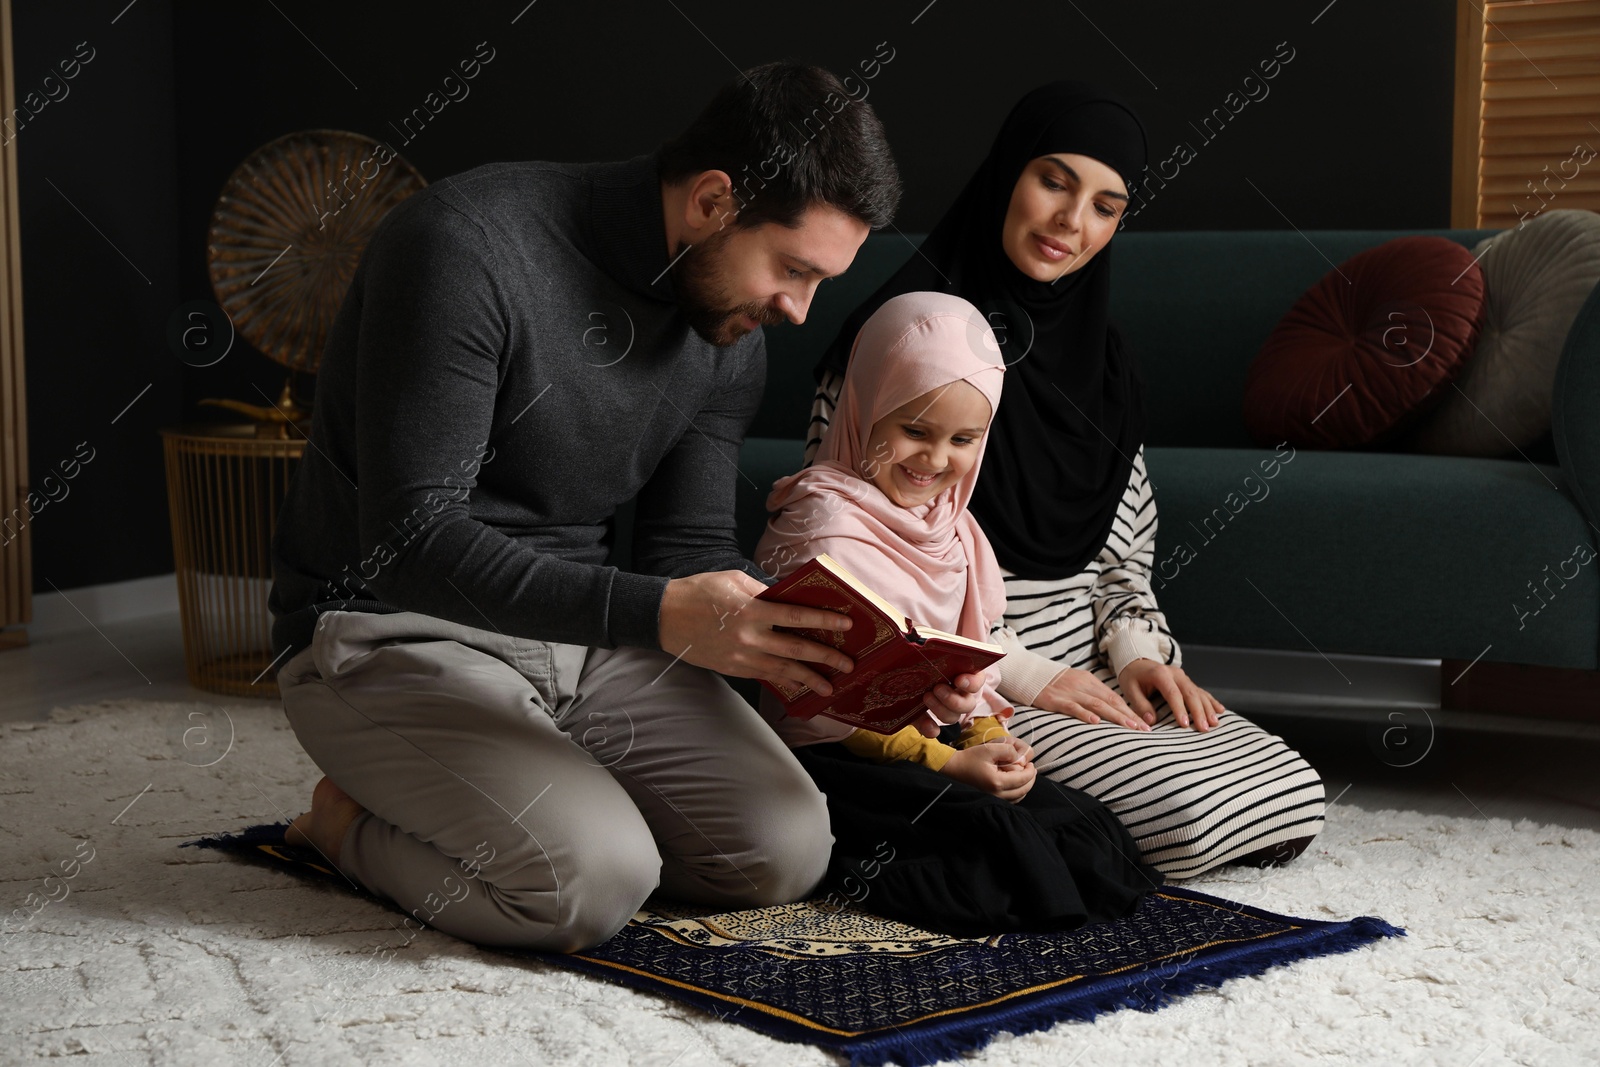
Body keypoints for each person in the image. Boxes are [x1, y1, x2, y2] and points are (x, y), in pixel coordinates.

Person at [265, 62, 955, 954]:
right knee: (589, 886)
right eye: (792, 269)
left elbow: (688, 547)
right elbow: (408, 540)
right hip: (386, 626)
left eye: (820, 280)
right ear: (713, 200)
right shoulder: (464, 246)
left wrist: (850, 652)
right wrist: (659, 613)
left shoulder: (728, 331)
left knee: (785, 852)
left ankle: (554, 804)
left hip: (590, 639)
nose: (797, 309)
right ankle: (343, 824)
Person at [805, 82, 1326, 879]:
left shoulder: (1106, 362)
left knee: (1290, 793)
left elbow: (1124, 557)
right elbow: (857, 573)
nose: (1070, 222)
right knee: (1190, 817)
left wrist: (1138, 653)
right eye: (1053, 180)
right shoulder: (902, 336)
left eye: (1105, 205)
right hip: (967, 688)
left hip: (1092, 664)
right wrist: (1032, 678)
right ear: (1006, 173)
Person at [755, 291, 1163, 936]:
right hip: (838, 753)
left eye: (963, 439)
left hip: (933, 739)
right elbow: (814, 704)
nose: (936, 460)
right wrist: (947, 764)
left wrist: (991, 741)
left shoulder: (956, 528)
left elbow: (972, 665)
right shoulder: (822, 529)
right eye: (913, 430)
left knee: (1088, 832)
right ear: (865, 411)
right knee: (990, 845)